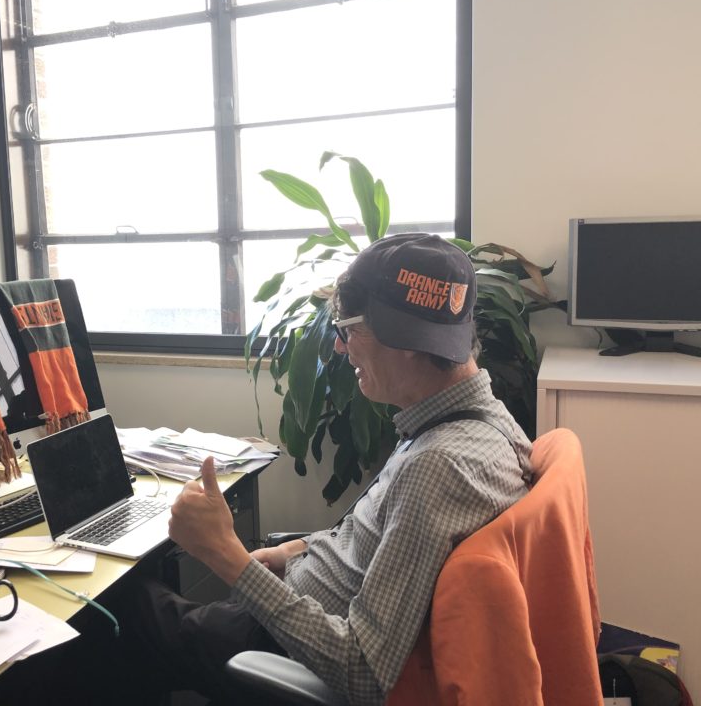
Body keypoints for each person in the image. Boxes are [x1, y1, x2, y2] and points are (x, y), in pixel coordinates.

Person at [113, 232, 535, 705]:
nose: (340, 348)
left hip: (283, 644)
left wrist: (224, 555)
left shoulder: (438, 466)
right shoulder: (484, 423)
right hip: (299, 600)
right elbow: (374, 540)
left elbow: (361, 672)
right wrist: (294, 551)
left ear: (410, 341)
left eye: (348, 329)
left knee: (112, 607)